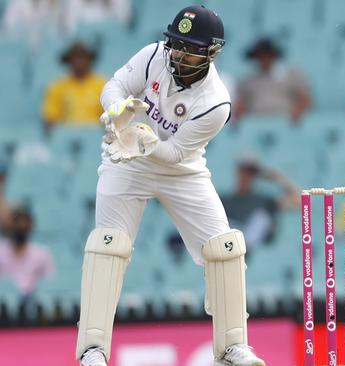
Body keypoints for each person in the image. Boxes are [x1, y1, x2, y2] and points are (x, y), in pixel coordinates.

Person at [75, 5, 264, 366]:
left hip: (182, 172)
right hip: (126, 163)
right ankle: (93, 349)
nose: (178, 53)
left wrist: (146, 141)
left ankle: (232, 346)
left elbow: (176, 152)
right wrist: (117, 111)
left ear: (211, 53)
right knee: (107, 246)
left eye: (189, 47)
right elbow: (114, 85)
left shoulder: (216, 102)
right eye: (176, 43)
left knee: (223, 247)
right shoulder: (153, 56)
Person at [220, 154, 299, 252]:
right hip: (229, 243)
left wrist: (278, 178)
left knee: (261, 218)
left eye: (250, 172)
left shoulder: (263, 201)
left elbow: (300, 202)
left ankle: (244, 247)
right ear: (238, 172)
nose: (246, 176)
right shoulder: (224, 200)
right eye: (243, 171)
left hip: (249, 244)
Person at [234, 38, 311, 124]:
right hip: (258, 125)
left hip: (286, 125)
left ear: (273, 56)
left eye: (267, 55)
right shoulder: (247, 81)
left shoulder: (291, 76)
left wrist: (297, 112)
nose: (264, 59)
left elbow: (305, 99)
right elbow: (240, 105)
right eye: (260, 56)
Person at [42, 41, 107, 131]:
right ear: (69, 61)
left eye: (82, 57)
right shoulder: (57, 87)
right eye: (75, 58)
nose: (79, 62)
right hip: (66, 140)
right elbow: (49, 119)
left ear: (89, 60)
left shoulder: (102, 85)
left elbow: (111, 118)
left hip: (97, 140)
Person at [0, 207, 56, 301]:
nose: (21, 227)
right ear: (11, 226)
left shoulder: (42, 254)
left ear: (30, 226)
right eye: (17, 223)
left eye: (25, 224)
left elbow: (50, 284)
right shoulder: (1, 252)